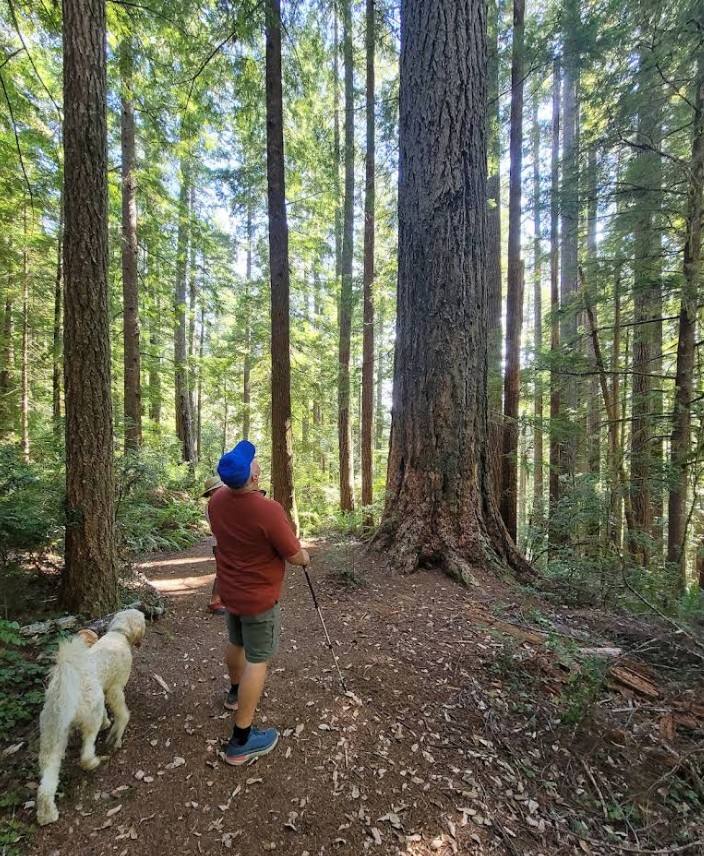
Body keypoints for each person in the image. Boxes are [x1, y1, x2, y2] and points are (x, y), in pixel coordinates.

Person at [208, 440, 310, 765]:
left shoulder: (217, 502)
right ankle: (241, 740)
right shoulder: (268, 510)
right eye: (253, 462)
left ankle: (235, 693)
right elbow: (294, 555)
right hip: (259, 599)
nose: (257, 463)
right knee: (258, 659)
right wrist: (305, 556)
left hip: (231, 592)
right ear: (252, 478)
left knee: (235, 641)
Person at [202, 475, 226, 615]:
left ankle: (223, 599)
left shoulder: (216, 503)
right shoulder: (213, 505)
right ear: (212, 491)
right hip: (220, 543)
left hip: (221, 542)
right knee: (222, 571)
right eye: (220, 488)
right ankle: (214, 601)